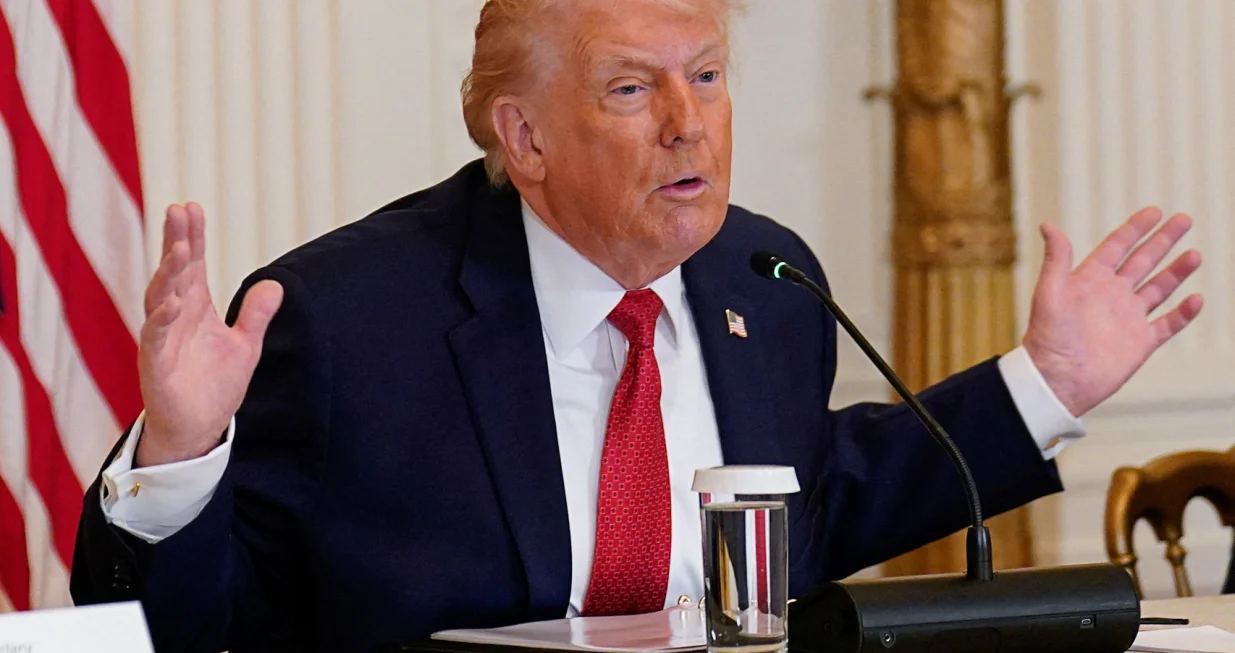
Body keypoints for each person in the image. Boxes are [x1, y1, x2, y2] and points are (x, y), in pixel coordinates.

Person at [69, 1, 1205, 651]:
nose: (687, 127)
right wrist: (176, 457)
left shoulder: (764, 277)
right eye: (630, 90)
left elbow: (807, 501)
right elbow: (192, 625)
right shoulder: (348, 319)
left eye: (705, 76)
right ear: (522, 137)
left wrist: (1042, 381)